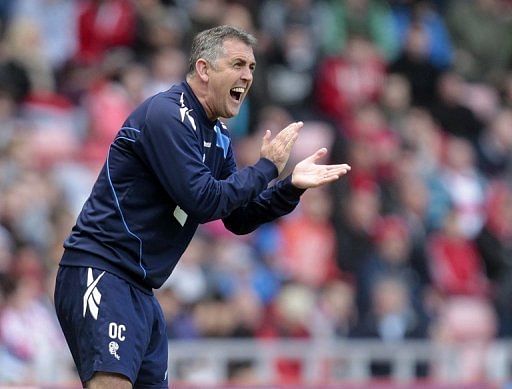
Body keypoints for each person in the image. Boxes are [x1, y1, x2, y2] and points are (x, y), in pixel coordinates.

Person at [54, 25, 351, 389]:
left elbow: (238, 218)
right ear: (204, 69)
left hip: (142, 290)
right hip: (101, 271)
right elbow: (203, 199)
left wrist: (289, 187)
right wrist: (266, 167)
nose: (247, 76)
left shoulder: (218, 137)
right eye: (238, 64)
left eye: (253, 68)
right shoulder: (167, 115)